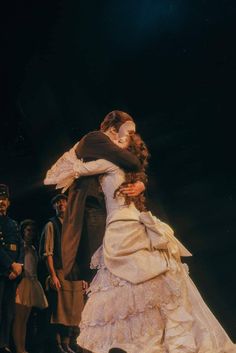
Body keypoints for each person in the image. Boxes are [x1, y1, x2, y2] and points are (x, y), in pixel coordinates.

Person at [61, 135, 236, 353]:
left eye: (125, 138)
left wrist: (141, 184)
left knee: (155, 288)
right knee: (123, 292)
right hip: (116, 231)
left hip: (131, 226)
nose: (120, 142)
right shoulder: (109, 163)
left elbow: (68, 172)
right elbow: (73, 172)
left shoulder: (128, 171)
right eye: (118, 136)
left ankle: (154, 343)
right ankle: (134, 344)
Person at [44, 110, 146, 282]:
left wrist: (141, 183)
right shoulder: (95, 139)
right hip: (92, 205)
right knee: (99, 256)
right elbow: (133, 162)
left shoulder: (112, 150)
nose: (129, 136)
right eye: (127, 131)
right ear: (114, 129)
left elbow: (134, 166)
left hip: (111, 207)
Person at [41, 194, 85, 353]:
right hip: (60, 271)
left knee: (74, 310)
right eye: (57, 202)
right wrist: (53, 275)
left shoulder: (74, 225)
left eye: (64, 201)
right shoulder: (51, 225)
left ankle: (69, 343)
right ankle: (58, 344)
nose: (61, 204)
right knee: (59, 310)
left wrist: (84, 277)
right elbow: (48, 253)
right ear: (54, 206)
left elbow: (81, 253)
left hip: (75, 273)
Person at [12, 219, 48, 353]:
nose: (30, 233)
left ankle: (23, 347)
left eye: (33, 231)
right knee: (19, 318)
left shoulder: (33, 248)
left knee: (25, 319)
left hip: (32, 282)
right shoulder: (20, 247)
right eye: (28, 230)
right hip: (22, 283)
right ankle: (19, 348)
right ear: (23, 231)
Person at [0, 184, 24, 353]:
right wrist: (11, 264)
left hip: (13, 274)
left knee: (8, 312)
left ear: (8, 203)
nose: (1, 201)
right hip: (2, 271)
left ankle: (4, 344)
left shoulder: (13, 223)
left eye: (4, 199)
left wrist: (20, 266)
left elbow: (20, 246)